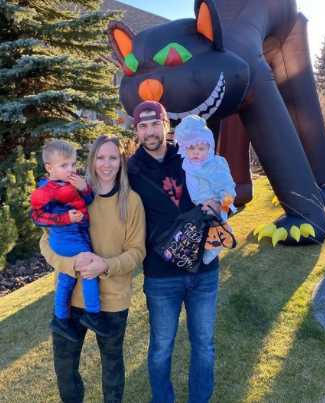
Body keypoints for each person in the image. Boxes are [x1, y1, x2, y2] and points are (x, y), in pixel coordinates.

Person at [39, 134, 146, 403]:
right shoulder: (69, 193)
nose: (106, 164)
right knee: (65, 369)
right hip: (72, 298)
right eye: (100, 157)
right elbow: (46, 241)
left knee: (112, 367)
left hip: (112, 302)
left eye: (113, 157)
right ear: (91, 160)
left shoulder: (131, 201)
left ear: (121, 162)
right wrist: (70, 264)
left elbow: (137, 252)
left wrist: (106, 265)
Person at [128, 101, 221, 403]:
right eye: (143, 126)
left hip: (204, 271)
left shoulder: (191, 154)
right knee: (160, 347)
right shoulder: (131, 170)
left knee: (204, 344)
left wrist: (219, 204)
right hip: (161, 274)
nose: (150, 131)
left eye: (155, 123)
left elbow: (220, 184)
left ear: (167, 125)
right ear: (136, 131)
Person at [31, 139, 109, 340]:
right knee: (89, 269)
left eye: (73, 164)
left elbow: (89, 202)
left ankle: (60, 319)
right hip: (66, 237)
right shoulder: (45, 191)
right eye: (64, 165)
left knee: (66, 278)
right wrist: (66, 218)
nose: (70, 169)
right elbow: (37, 217)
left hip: (76, 234)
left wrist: (84, 188)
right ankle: (93, 314)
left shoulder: (71, 183)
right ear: (49, 167)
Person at [174, 114, 236, 263]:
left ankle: (215, 248)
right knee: (200, 231)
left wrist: (224, 203)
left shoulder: (214, 164)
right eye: (191, 148)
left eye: (201, 148)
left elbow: (225, 183)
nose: (196, 152)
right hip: (198, 205)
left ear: (209, 147)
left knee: (216, 228)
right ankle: (200, 252)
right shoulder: (187, 164)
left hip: (213, 201)